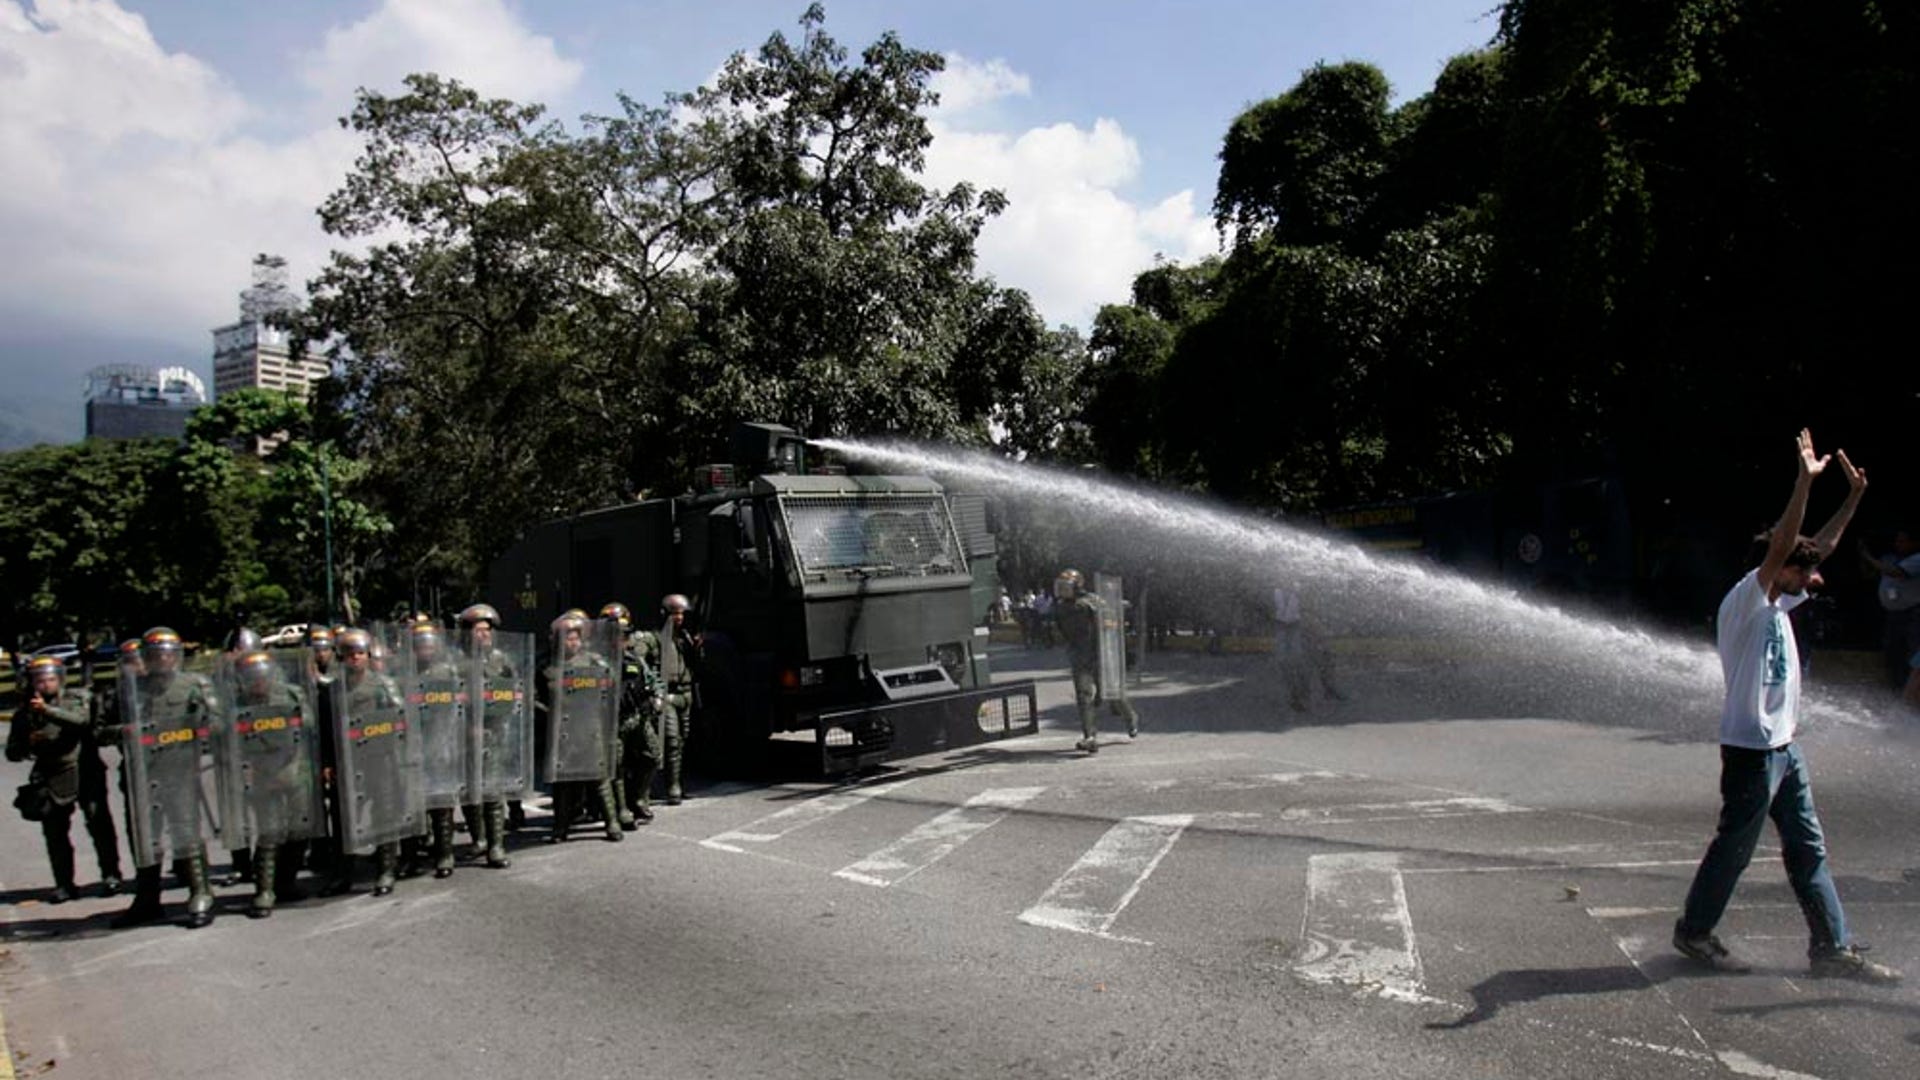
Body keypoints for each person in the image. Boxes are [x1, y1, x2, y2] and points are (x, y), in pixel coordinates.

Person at [1672, 430, 1899, 982]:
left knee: (1807, 847)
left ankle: (1832, 947)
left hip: (1784, 749)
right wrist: (1804, 481)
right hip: (1752, 751)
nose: (1814, 579)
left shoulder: (1780, 603)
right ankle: (1695, 931)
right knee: (1736, 849)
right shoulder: (1749, 600)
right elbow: (1786, 546)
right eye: (1804, 572)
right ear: (1778, 570)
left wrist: (1852, 498)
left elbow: (1815, 547)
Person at [111, 626, 218, 929]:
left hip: (180, 770)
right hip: (141, 774)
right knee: (145, 837)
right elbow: (100, 730)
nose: (162, 660)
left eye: (168, 654)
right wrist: (127, 732)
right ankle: (147, 899)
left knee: (187, 832)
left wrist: (202, 725)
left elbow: (218, 723)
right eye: (156, 655)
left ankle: (201, 893)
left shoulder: (194, 685)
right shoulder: (130, 689)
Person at [7, 656, 123, 903]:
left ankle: (111, 874)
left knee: (98, 822)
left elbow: (81, 722)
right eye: (40, 680)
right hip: (52, 776)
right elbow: (12, 752)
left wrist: (47, 710)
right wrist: (27, 743)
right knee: (55, 833)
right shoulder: (25, 714)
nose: (45, 684)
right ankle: (64, 883)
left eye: (50, 679)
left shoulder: (77, 699)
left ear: (59, 679)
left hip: (85, 770)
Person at [543, 610, 623, 843]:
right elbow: (535, 698)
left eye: (576, 637)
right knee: (564, 782)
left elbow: (612, 688)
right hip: (563, 731)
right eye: (568, 637)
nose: (572, 641)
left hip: (590, 728)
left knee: (600, 778)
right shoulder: (548, 666)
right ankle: (560, 827)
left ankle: (612, 823)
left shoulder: (594, 662)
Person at [457, 603, 522, 867]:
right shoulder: (458, 663)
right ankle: (479, 839)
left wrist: (511, 709)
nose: (483, 635)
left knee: (492, 792)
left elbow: (516, 691)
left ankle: (496, 846)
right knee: (469, 792)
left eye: (487, 630)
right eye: (478, 631)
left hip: (495, 733)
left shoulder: (501, 660)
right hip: (465, 736)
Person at [1053, 569, 1139, 754]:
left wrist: (1114, 611)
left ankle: (1130, 717)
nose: (1061, 590)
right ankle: (1089, 736)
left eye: (1065, 587)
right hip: (1079, 657)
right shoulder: (1060, 607)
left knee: (1112, 692)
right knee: (1084, 697)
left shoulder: (1091, 602)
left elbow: (1111, 618)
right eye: (1060, 587)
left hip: (1100, 654)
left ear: (1077, 586)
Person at [600, 602, 653, 827]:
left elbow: (651, 680)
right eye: (615, 634)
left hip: (637, 717)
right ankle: (621, 810)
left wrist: (655, 698)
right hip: (612, 721)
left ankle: (638, 798)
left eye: (624, 635)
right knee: (616, 767)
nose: (620, 639)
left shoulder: (635, 660)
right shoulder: (598, 662)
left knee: (652, 756)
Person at [1857, 527, 1920, 692]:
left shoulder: (1917, 559)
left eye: (1903, 541)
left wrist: (1868, 557)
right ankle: (1896, 687)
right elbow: (1869, 574)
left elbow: (1896, 572)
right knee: (1893, 650)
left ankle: (1910, 689)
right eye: (1897, 541)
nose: (1898, 544)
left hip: (1913, 613)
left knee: (1912, 652)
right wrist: (1864, 558)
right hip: (1893, 613)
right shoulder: (1890, 558)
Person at [1272, 583, 1346, 713]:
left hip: (1299, 630)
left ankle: (1318, 693)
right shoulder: (1276, 592)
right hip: (1286, 629)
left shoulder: (1300, 592)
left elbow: (1308, 612)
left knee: (1308, 663)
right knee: (1291, 665)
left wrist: (1314, 631)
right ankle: (1298, 698)